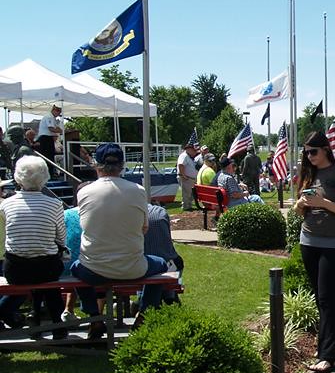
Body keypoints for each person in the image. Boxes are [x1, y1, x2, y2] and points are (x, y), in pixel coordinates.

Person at [71, 144, 169, 339]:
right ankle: (143, 313)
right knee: (162, 266)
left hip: (93, 268)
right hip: (132, 267)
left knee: (75, 268)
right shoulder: (138, 190)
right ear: (122, 165)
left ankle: (94, 316)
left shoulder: (84, 192)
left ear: (96, 165)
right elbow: (144, 228)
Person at [294, 131, 335, 373]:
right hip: (308, 240)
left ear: (326, 150)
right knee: (320, 296)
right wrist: (301, 205)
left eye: (313, 152)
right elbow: (300, 212)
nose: (309, 156)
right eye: (306, 152)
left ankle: (327, 357)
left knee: (326, 297)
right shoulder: (308, 174)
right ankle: (328, 344)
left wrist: (324, 203)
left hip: (334, 244)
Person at [0, 156, 66, 332]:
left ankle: (36, 315)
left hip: (15, 269)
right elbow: (61, 238)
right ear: (44, 176)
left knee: (34, 261)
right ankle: (57, 324)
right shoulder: (55, 204)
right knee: (48, 271)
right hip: (47, 268)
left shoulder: (6, 204)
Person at [36, 104, 63, 175]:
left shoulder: (52, 118)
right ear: (54, 110)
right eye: (58, 112)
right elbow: (51, 128)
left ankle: (50, 173)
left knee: (50, 156)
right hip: (45, 139)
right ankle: (48, 174)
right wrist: (61, 131)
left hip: (48, 138)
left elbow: (56, 127)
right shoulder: (49, 117)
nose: (59, 114)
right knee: (47, 156)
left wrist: (61, 129)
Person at [177, 142, 200, 211]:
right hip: (186, 178)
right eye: (193, 150)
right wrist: (183, 175)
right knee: (186, 194)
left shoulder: (188, 156)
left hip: (189, 178)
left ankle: (189, 206)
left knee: (190, 194)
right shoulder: (184, 156)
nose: (195, 151)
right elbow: (181, 165)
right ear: (188, 149)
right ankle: (186, 207)